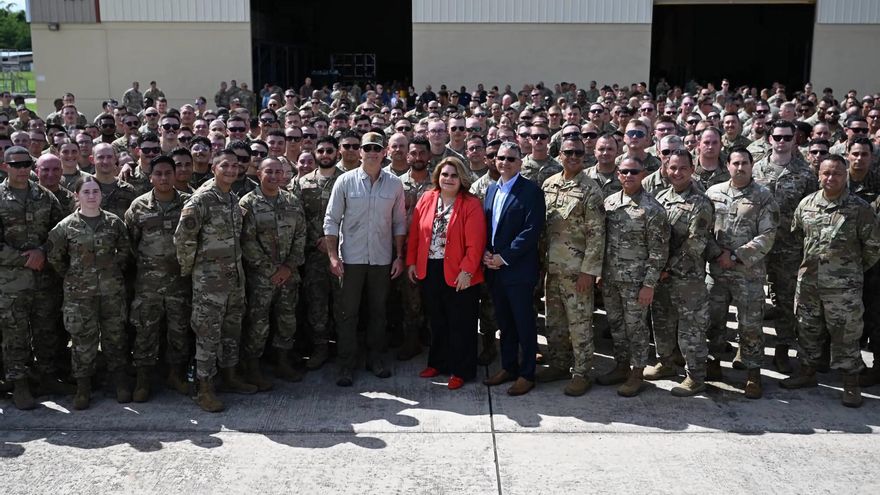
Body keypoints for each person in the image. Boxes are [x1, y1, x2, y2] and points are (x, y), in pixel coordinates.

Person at [784, 155, 880, 407]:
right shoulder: (806, 205)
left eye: (836, 173)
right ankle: (807, 372)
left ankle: (851, 383)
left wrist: (851, 272)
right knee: (807, 329)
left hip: (843, 289)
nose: (831, 178)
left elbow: (872, 248)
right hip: (809, 285)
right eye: (826, 173)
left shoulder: (859, 209)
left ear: (845, 175)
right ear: (818, 175)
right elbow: (796, 240)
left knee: (846, 334)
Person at [175, 150, 257, 413]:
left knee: (231, 330)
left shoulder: (232, 198)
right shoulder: (201, 199)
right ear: (214, 168)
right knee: (208, 333)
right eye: (225, 165)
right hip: (209, 281)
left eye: (235, 166)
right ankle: (204, 388)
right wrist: (194, 272)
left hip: (233, 278)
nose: (231, 170)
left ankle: (230, 376)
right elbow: (184, 239)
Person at [323, 132, 407, 386]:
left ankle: (376, 358)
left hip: (382, 259)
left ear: (384, 153)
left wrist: (399, 256)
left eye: (376, 148)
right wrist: (333, 256)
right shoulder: (345, 182)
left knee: (378, 312)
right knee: (348, 313)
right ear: (359, 152)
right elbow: (331, 220)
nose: (372, 152)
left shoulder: (394, 184)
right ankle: (346, 364)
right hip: (351, 259)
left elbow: (399, 222)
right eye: (367, 148)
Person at [47, 176, 133, 410]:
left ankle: (120, 383)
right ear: (77, 195)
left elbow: (125, 251)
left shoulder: (114, 223)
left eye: (95, 191)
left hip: (111, 291)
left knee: (115, 338)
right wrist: (75, 275)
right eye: (86, 192)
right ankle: (83, 387)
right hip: (79, 295)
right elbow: (55, 257)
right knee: (83, 340)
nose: (92, 195)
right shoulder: (66, 226)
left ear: (101, 195)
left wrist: (111, 270)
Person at [705, 147, 779, 399]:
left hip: (749, 273)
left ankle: (753, 373)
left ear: (751, 165)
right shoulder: (713, 193)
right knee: (714, 321)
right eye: (735, 163)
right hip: (716, 270)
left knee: (750, 324)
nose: (740, 167)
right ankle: (713, 363)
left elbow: (768, 235)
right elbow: (702, 230)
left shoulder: (763, 196)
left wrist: (736, 256)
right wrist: (718, 254)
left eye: (744, 163)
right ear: (727, 166)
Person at [406, 157, 486, 389]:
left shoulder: (470, 204)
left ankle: (461, 370)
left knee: (461, 323)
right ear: (437, 177)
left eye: (453, 175)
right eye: (444, 174)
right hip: (430, 269)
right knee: (437, 320)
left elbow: (476, 242)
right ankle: (438, 363)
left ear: (461, 179)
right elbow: (415, 235)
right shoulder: (427, 198)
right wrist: (411, 262)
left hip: (459, 272)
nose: (448, 179)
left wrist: (467, 271)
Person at [0, 147, 70, 409]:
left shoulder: (45, 196)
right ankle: (19, 384)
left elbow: (59, 231)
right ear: (6, 166)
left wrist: (43, 251)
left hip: (43, 278)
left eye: (25, 164)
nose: (21, 169)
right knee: (14, 332)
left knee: (46, 329)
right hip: (11, 281)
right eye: (15, 164)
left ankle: (47, 377)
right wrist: (24, 258)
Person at [597, 157, 670, 397]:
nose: (629, 176)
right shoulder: (609, 202)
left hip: (636, 282)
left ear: (643, 174)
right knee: (616, 325)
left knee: (636, 329)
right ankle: (621, 366)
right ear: (618, 174)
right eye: (624, 171)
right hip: (610, 279)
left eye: (634, 172)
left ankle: (637, 371)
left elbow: (659, 251)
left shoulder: (652, 209)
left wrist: (649, 284)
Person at [539, 138, 605, 396]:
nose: (574, 156)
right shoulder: (549, 184)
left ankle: (582, 372)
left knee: (579, 323)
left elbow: (597, 235)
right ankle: (558, 363)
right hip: (552, 268)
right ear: (560, 155)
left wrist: (589, 271)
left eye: (579, 152)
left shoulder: (591, 189)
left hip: (577, 271)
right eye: (569, 152)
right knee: (554, 322)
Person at [124, 155, 192, 402]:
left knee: (179, 330)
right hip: (148, 285)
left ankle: (176, 374)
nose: (163, 178)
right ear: (151, 177)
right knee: (145, 331)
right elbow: (130, 243)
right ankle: (143, 380)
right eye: (158, 174)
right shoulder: (139, 206)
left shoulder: (188, 204)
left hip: (179, 282)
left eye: (168, 173)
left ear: (176, 175)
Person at [481, 142, 545, 396]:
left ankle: (527, 374)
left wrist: (503, 257)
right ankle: (509, 366)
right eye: (500, 158)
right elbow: (487, 226)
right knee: (504, 323)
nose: (504, 162)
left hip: (517, 270)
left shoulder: (531, 191)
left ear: (520, 162)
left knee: (524, 323)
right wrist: (486, 252)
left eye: (510, 158)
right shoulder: (490, 190)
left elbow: (531, 231)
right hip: (494, 269)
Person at [649, 150, 714, 396]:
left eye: (682, 168)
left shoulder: (701, 203)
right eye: (672, 168)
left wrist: (667, 268)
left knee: (691, 329)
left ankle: (696, 376)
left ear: (692, 170)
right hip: (662, 276)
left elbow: (696, 244)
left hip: (687, 278)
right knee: (662, 321)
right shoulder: (661, 198)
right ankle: (665, 363)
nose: (677, 173)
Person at [239, 157, 306, 388]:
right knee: (258, 323)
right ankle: (253, 367)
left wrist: (288, 267)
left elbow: (300, 236)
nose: (274, 176)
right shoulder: (248, 203)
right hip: (261, 278)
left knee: (287, 320)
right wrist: (270, 270)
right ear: (259, 174)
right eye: (269, 171)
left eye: (279, 172)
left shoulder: (292, 201)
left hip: (289, 274)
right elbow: (246, 241)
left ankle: (282, 362)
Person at [298, 136, 344, 370]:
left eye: (330, 151)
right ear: (315, 153)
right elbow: (296, 219)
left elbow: (354, 216)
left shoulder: (347, 180)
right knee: (317, 303)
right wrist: (316, 242)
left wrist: (335, 243)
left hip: (343, 254)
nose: (325, 154)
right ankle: (320, 347)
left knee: (342, 303)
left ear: (337, 153)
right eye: (321, 151)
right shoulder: (302, 183)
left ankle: (344, 349)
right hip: (314, 255)